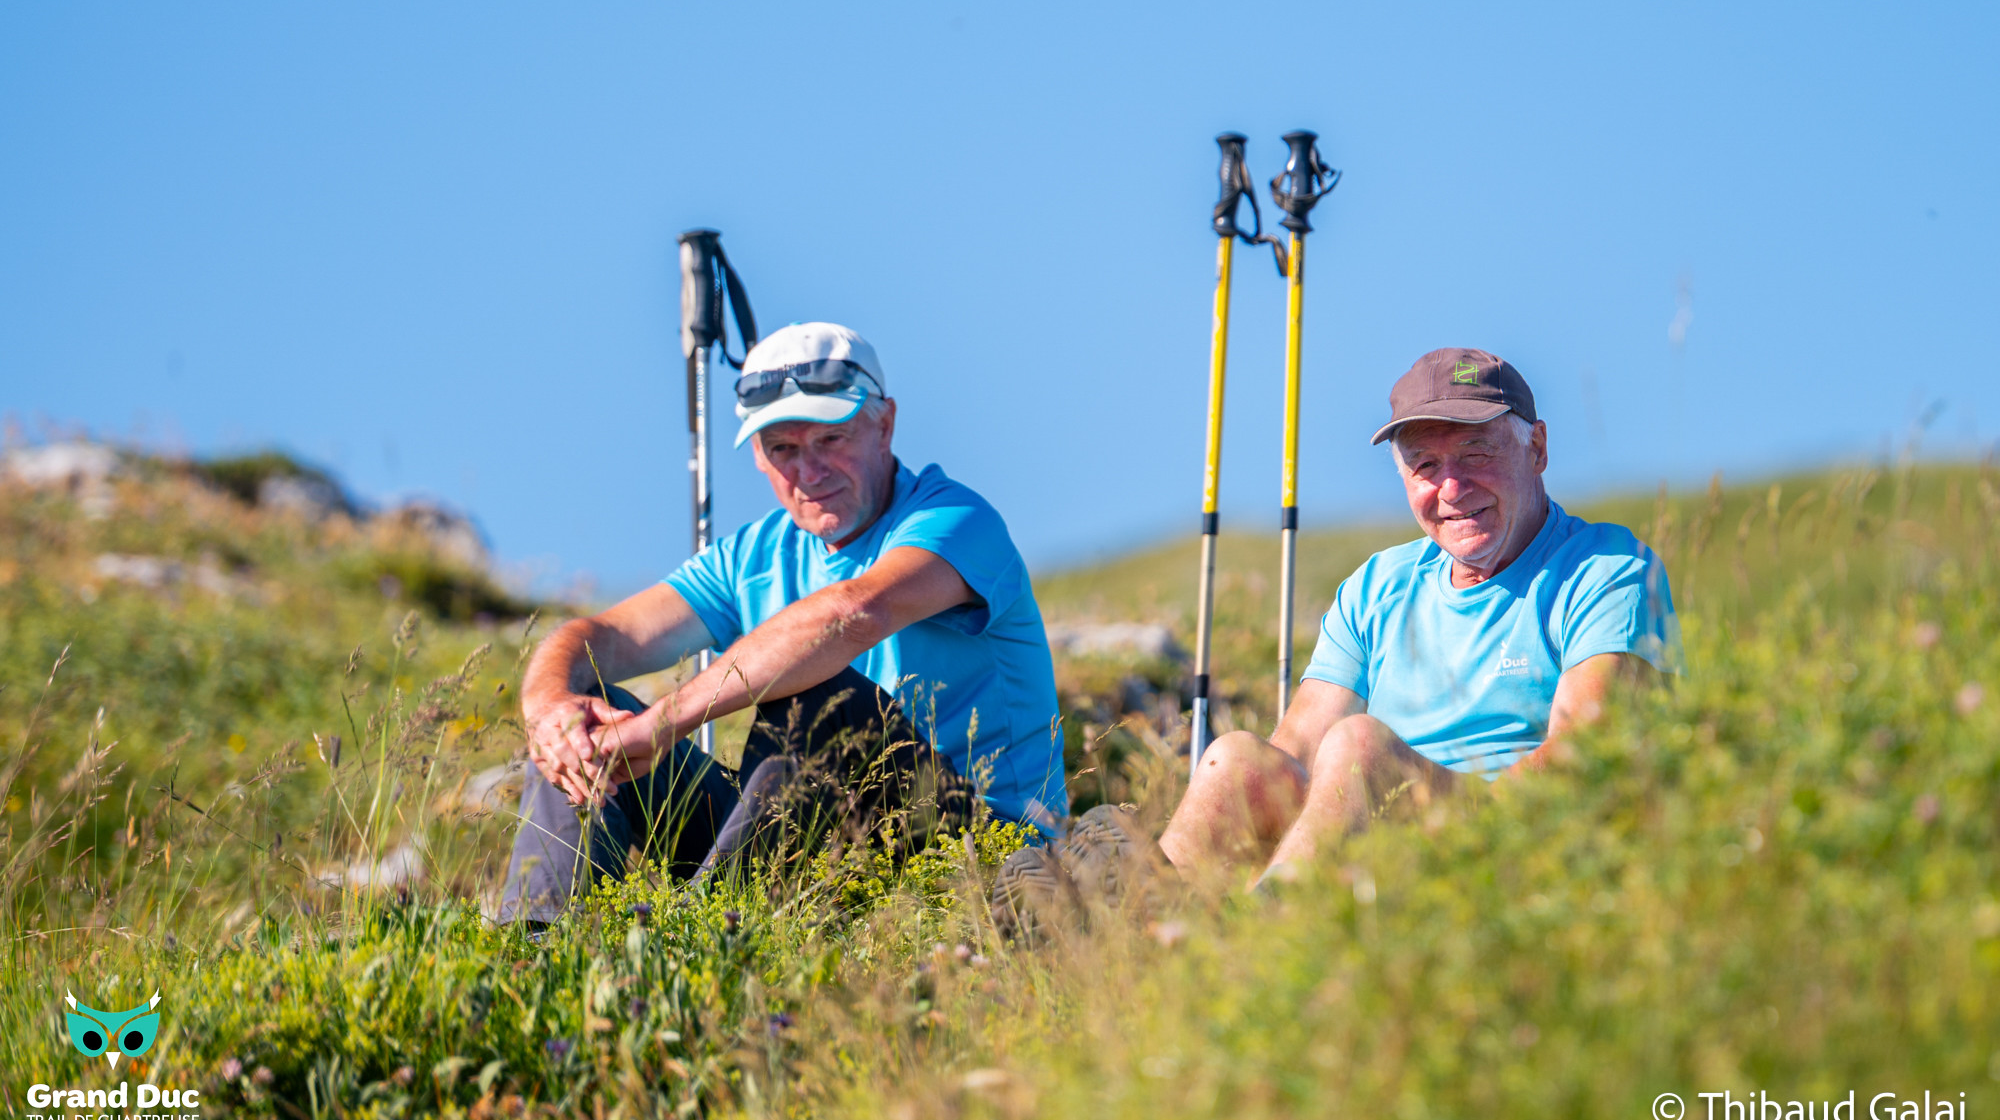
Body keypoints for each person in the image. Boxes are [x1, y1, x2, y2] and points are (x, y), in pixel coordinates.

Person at [500, 322, 1067, 922]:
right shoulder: (752, 554)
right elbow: (606, 637)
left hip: (974, 851)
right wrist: (550, 711)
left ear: (886, 424)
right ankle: (534, 948)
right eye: (784, 450)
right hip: (799, 845)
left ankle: (700, 940)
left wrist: (661, 726)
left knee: (818, 687)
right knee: (589, 709)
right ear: (758, 457)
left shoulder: (956, 519)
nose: (810, 470)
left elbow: (851, 613)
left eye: (832, 437)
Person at [1158, 347, 1678, 881]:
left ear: (1537, 448)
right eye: (1426, 465)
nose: (1451, 488)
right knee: (1237, 760)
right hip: (1368, 840)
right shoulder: (1376, 587)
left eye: (1476, 453)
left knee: (1359, 747)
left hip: (1512, 846)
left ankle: (1270, 933)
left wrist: (1419, 809)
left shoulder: (1607, 570)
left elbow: (1584, 754)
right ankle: (1153, 916)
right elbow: (1294, 753)